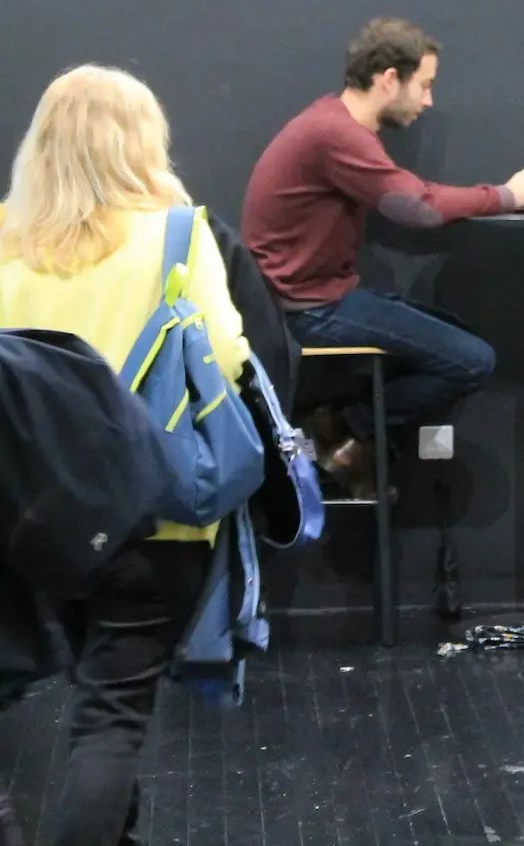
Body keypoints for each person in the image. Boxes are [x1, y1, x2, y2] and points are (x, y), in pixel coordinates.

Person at [0, 65, 250, 846]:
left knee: (90, 688)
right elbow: (227, 356)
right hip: (156, 513)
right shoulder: (177, 232)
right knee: (111, 716)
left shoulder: (4, 238)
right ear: (143, 142)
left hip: (36, 523)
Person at [242, 17, 524, 497]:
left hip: (314, 298)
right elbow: (418, 208)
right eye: (424, 85)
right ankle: (344, 428)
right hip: (312, 309)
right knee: (475, 360)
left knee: (463, 342)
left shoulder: (331, 125)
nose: (428, 101)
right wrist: (508, 194)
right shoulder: (334, 133)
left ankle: (347, 431)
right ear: (389, 79)